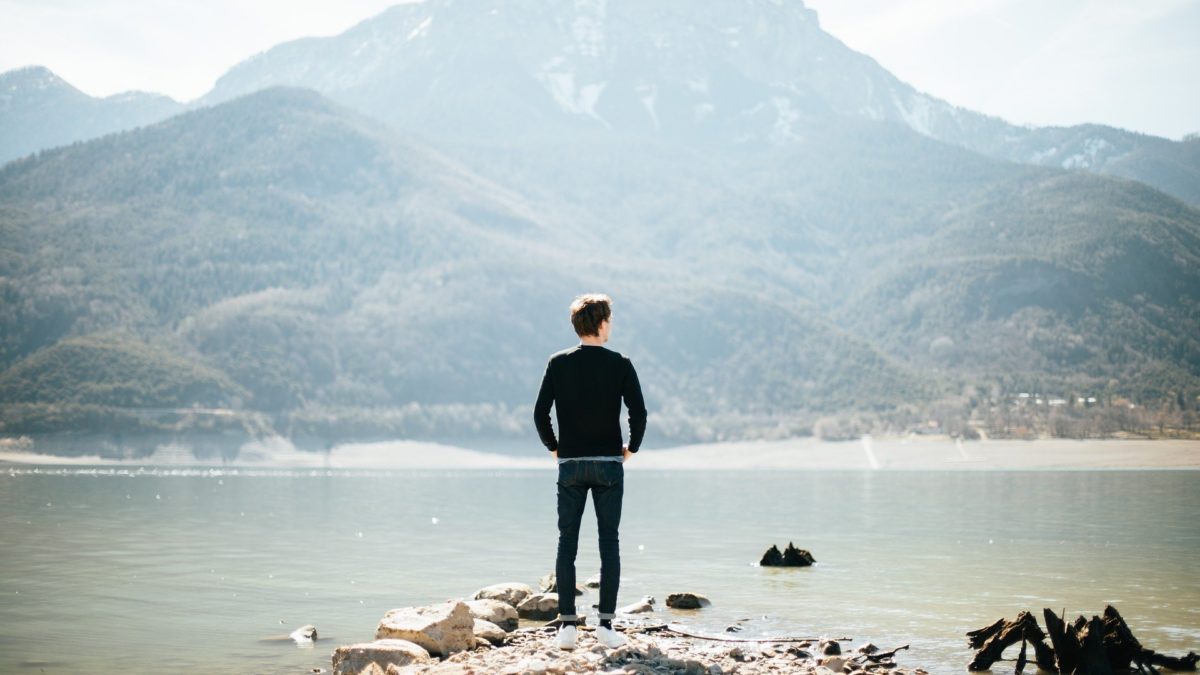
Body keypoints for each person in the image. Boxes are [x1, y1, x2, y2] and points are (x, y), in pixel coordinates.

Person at [534, 293, 647, 651]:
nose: (611, 326)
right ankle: (606, 627)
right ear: (600, 324)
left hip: (570, 464)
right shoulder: (620, 363)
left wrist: (556, 449)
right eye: (610, 320)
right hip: (609, 465)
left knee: (566, 543)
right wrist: (631, 449)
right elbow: (639, 413)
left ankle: (567, 627)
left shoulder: (557, 363)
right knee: (608, 543)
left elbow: (540, 414)